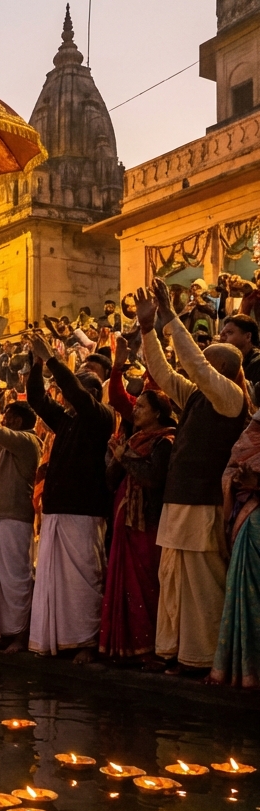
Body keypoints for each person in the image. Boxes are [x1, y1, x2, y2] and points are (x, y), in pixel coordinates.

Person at [137, 280, 250, 672]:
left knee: (202, 583)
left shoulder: (231, 397)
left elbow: (191, 365)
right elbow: (164, 375)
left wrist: (170, 317)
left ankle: (201, 657)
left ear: (221, 368)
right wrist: (149, 330)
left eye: (206, 358)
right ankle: (173, 651)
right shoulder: (199, 395)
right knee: (174, 578)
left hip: (203, 502)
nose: (199, 360)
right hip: (179, 499)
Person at [26, 329, 114, 660]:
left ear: (94, 394)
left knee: (84, 581)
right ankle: (58, 639)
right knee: (55, 580)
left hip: (85, 510)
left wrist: (52, 358)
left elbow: (75, 392)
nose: (65, 398)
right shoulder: (66, 422)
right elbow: (36, 399)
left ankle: (87, 643)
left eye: (79, 391)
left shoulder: (101, 418)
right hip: (57, 509)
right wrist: (36, 364)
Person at [99, 332, 176, 661]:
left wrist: (125, 458)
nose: (136, 411)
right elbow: (110, 481)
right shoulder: (133, 439)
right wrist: (118, 459)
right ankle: (124, 647)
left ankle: (150, 651)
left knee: (147, 586)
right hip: (124, 523)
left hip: (148, 523)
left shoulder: (165, 441)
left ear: (158, 411)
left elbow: (153, 478)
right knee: (122, 586)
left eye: (142, 406)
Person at [0, 377, 42, 652]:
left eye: (6, 416)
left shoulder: (28, 442)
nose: (2, 420)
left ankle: (20, 635)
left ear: (15, 421)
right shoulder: (8, 446)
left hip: (14, 519)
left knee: (16, 580)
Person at [209, 407, 260, 687]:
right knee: (246, 594)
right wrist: (241, 480)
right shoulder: (248, 437)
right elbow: (231, 471)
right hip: (250, 526)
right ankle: (246, 669)